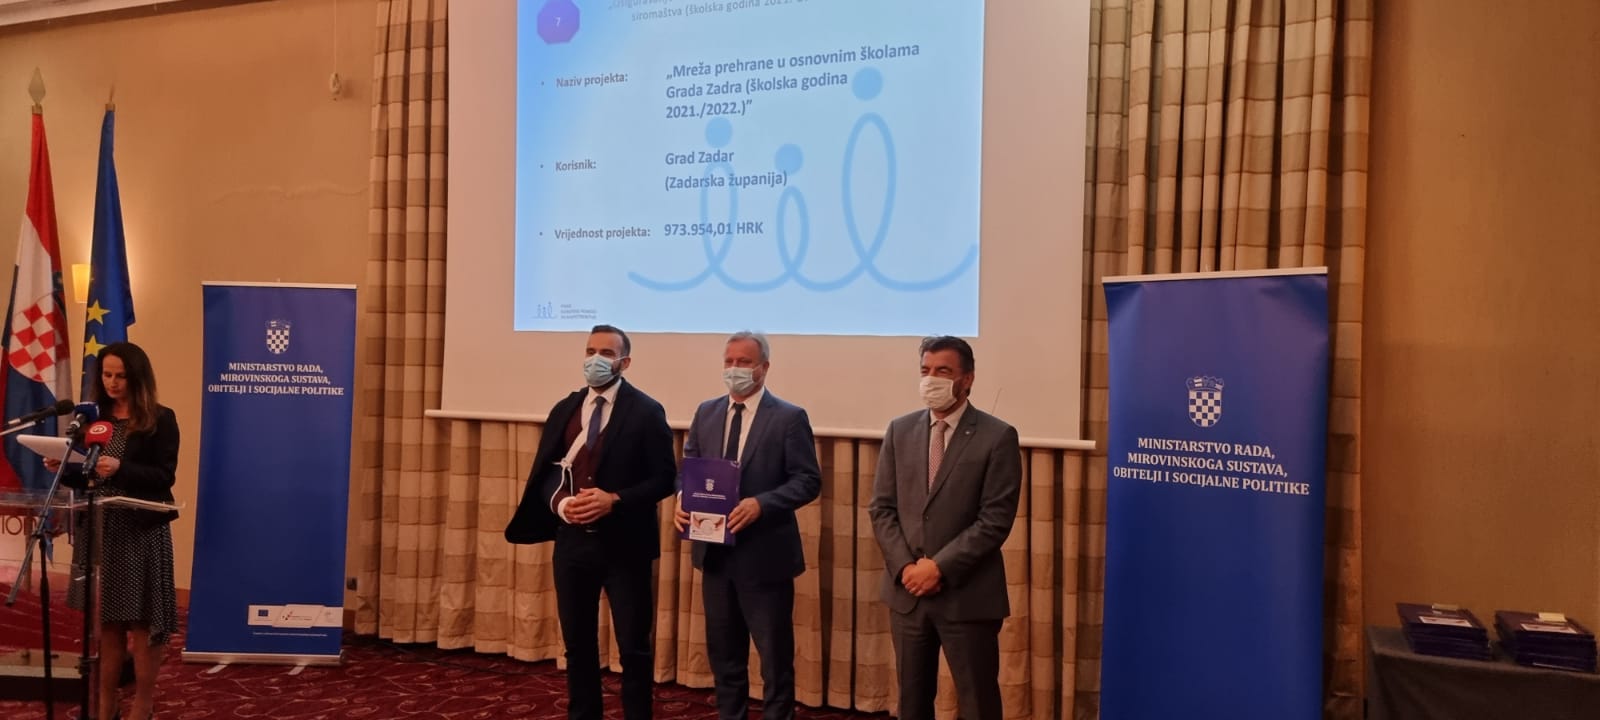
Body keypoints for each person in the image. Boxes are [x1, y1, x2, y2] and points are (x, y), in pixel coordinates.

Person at [504, 325, 676, 720]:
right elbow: (547, 472)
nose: (595, 359)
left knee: (633, 648)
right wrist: (562, 505)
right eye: (590, 351)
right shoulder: (565, 408)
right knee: (578, 646)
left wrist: (614, 500)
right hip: (573, 546)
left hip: (626, 547)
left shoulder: (647, 411)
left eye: (606, 353)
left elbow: (665, 478)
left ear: (624, 362)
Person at [868, 336, 1022, 720]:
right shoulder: (900, 430)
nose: (931, 379)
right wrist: (906, 568)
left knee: (978, 704)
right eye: (925, 370)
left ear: (967, 379)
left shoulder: (998, 436)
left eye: (943, 371)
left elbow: (994, 520)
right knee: (912, 703)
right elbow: (882, 508)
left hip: (967, 596)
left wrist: (938, 568)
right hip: (908, 595)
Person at [675, 331, 821, 720]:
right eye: (729, 361)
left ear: (764, 368)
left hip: (765, 558)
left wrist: (762, 504)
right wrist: (681, 498)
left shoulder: (789, 417)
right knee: (725, 658)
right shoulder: (706, 412)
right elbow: (688, 469)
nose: (734, 369)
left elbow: (808, 480)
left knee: (774, 662)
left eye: (744, 362)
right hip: (715, 557)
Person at [48, 342, 180, 720]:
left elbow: (164, 476)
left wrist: (121, 468)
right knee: (108, 623)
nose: (112, 382)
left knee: (142, 623)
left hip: (140, 530)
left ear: (137, 377)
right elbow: (89, 477)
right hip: (101, 530)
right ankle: (106, 704)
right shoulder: (93, 420)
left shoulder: (159, 418)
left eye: (121, 376)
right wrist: (63, 467)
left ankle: (143, 704)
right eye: (106, 374)